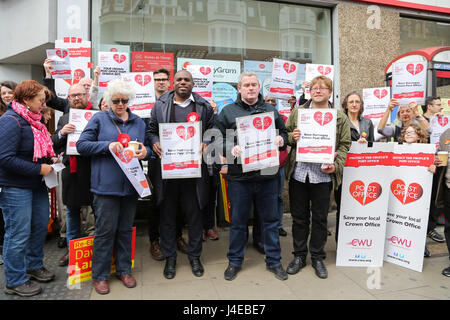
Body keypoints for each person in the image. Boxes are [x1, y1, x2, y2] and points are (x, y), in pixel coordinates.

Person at [77, 79, 151, 295]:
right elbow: (82, 145)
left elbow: (147, 146)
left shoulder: (138, 121)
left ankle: (124, 269)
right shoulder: (99, 119)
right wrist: (106, 145)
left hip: (130, 186)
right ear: (109, 100)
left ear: (129, 100)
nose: (120, 104)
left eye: (124, 100)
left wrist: (145, 152)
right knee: (104, 232)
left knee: (125, 230)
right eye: (116, 100)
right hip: (105, 187)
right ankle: (99, 276)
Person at [214, 71, 289, 281]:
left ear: (259, 87)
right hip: (240, 178)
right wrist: (231, 148)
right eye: (246, 85)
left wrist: (281, 140)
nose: (250, 88)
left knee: (270, 221)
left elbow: (284, 133)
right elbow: (216, 138)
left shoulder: (271, 110)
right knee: (238, 222)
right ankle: (235, 262)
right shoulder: (227, 112)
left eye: (254, 84)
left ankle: (274, 261)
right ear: (239, 88)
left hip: (267, 176)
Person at [147, 69, 215, 280]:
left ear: (193, 84)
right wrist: (155, 141)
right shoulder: (160, 105)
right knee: (167, 217)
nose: (183, 83)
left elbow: (214, 131)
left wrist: (207, 141)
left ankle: (195, 256)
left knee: (194, 217)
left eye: (187, 80)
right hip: (168, 173)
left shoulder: (203, 106)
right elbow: (151, 130)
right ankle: (170, 258)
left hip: (194, 173)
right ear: (173, 83)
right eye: (179, 80)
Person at [285, 75, 351, 279]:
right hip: (299, 174)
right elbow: (285, 133)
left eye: (323, 88)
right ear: (310, 91)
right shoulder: (299, 112)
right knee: (299, 218)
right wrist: (292, 137)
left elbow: (345, 145)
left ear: (330, 92)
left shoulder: (339, 117)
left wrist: (336, 165)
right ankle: (299, 255)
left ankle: (317, 257)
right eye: (314, 87)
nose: (318, 91)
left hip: (322, 176)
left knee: (321, 219)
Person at [0, 80, 56, 297]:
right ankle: (14, 280)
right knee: (18, 233)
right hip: (15, 188)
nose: (43, 105)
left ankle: (33, 266)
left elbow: (34, 150)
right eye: (40, 100)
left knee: (39, 227)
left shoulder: (34, 121)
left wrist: (49, 159)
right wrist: (38, 168)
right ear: (26, 99)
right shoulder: (10, 121)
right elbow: (5, 158)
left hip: (36, 185)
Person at [147, 68, 189, 261]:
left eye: (164, 79)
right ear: (153, 82)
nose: (161, 82)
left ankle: (177, 236)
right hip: (156, 159)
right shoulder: (145, 102)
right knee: (158, 200)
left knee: (179, 199)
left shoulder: (179, 101)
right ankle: (154, 240)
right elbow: (148, 130)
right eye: (158, 79)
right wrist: (153, 140)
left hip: (180, 159)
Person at [51, 83, 94, 267]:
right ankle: (72, 250)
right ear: (68, 98)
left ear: (87, 95)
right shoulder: (65, 118)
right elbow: (53, 143)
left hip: (94, 170)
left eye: (80, 94)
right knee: (72, 211)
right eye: (73, 95)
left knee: (96, 211)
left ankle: (95, 249)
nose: (77, 98)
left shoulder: (98, 115)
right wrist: (62, 133)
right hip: (72, 171)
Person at [334, 91, 374, 242]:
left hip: (362, 171)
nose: (354, 104)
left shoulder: (367, 123)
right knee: (343, 207)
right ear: (345, 104)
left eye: (357, 102)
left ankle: (357, 240)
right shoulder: (340, 121)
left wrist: (366, 146)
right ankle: (341, 242)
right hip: (344, 170)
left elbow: (371, 146)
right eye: (351, 102)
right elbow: (337, 145)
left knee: (360, 207)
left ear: (361, 105)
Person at [421, 96, 445, 244]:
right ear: (429, 107)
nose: (441, 107)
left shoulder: (442, 121)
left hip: (439, 162)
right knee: (425, 196)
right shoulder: (421, 120)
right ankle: (427, 226)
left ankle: (432, 224)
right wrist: (433, 123)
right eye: (438, 104)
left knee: (434, 196)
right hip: (424, 165)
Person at [0, 80, 17, 265]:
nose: (6, 95)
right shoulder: (6, 119)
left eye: (9, 92)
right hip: (6, 176)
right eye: (3, 93)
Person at [434, 127, 450, 277]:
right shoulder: (446, 134)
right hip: (448, 187)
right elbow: (438, 154)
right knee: (449, 227)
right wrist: (436, 160)